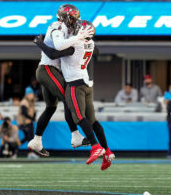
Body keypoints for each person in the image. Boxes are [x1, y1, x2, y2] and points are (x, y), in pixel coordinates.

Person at [35, 20, 115, 170]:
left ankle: (95, 146)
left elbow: (52, 53)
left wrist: (39, 42)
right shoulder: (91, 44)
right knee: (93, 121)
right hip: (87, 84)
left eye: (77, 29)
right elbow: (95, 50)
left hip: (75, 84)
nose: (73, 30)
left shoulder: (74, 45)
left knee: (78, 117)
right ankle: (108, 151)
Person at [27, 4, 91, 157]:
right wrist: (77, 38)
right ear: (64, 17)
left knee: (51, 108)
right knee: (68, 100)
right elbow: (58, 47)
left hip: (51, 71)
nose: (75, 21)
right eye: (73, 18)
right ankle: (75, 136)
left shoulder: (68, 28)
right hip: (48, 69)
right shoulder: (57, 27)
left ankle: (36, 140)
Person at [17, 89, 38, 159]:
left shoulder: (30, 102)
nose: (32, 95)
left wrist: (34, 116)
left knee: (27, 138)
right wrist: (31, 118)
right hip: (25, 122)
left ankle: (14, 148)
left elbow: (32, 112)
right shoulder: (25, 102)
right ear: (28, 94)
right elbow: (24, 112)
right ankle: (30, 153)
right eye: (31, 94)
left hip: (28, 122)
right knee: (30, 138)